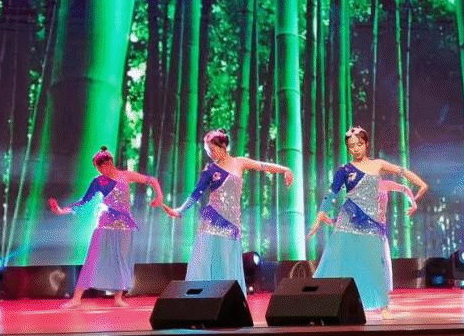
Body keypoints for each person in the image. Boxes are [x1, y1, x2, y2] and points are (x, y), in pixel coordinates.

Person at [309, 126, 427, 319]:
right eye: (351, 146)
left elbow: (403, 172)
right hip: (348, 220)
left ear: (366, 144)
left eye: (359, 144)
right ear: (348, 148)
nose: (356, 148)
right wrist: (319, 216)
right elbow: (331, 193)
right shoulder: (344, 170)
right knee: (338, 260)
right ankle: (324, 301)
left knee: (374, 263)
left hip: (372, 223)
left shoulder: (378, 164)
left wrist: (421, 184)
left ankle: (383, 306)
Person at [163, 129, 293, 292]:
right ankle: (200, 296)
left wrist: (285, 169)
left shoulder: (240, 162)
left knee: (226, 261)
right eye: (208, 151)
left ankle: (225, 296)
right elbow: (196, 193)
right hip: (211, 220)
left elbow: (264, 166)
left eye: (212, 149)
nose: (210, 154)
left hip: (231, 221)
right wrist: (180, 211)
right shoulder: (210, 170)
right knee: (203, 260)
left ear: (223, 146)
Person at [49, 146, 163, 309]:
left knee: (121, 260)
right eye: (98, 168)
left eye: (102, 167)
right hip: (105, 222)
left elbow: (151, 180)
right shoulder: (98, 181)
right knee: (92, 258)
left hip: (125, 224)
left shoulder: (126, 175)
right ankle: (76, 298)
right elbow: (83, 201)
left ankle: (118, 298)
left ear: (109, 163)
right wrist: (61, 211)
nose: (101, 171)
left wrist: (159, 196)